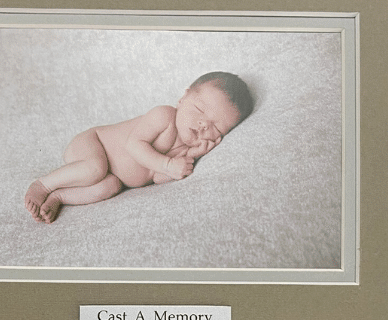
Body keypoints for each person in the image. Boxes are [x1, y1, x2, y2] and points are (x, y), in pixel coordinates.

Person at [24, 71, 253, 224]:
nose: (203, 125)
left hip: (115, 176)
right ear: (183, 98)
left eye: (216, 128)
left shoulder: (183, 152)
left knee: (110, 186)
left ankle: (61, 196)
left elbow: (156, 178)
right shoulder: (164, 116)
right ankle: (43, 184)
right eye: (200, 110)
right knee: (95, 168)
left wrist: (188, 160)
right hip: (92, 144)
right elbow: (134, 146)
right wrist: (168, 164)